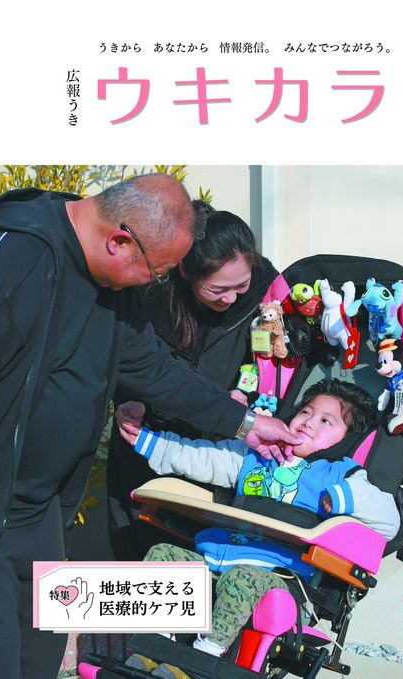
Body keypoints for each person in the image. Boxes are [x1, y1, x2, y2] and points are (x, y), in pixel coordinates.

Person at [0, 175, 299, 679]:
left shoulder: (112, 284)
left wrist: (244, 423)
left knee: (37, 654)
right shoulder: (18, 259)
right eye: (157, 272)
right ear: (120, 241)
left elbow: (152, 369)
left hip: (38, 510)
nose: (154, 284)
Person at [119, 379, 400, 670]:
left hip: (280, 581)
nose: (309, 422)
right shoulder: (257, 455)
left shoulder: (339, 475)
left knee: (241, 579)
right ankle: (154, 644)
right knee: (163, 554)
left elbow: (389, 522)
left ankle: (203, 661)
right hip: (216, 561)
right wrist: (148, 441)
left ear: (346, 440)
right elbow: (200, 458)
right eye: (305, 412)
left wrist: (344, 497)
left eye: (326, 421)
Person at [108, 202, 279, 559]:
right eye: (217, 289)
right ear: (185, 271)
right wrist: (128, 401)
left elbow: (280, 364)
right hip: (151, 447)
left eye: (241, 285)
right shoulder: (150, 294)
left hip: (223, 456)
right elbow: (135, 368)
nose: (231, 298)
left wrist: (249, 399)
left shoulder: (268, 290)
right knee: (144, 562)